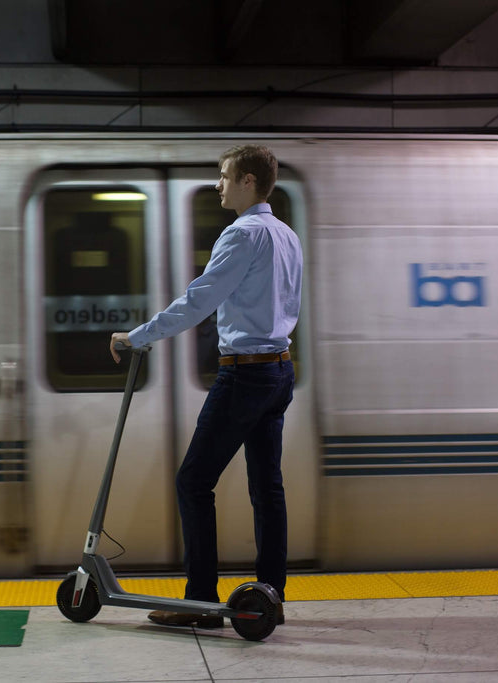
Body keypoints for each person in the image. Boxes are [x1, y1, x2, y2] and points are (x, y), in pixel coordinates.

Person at [110, 144, 302, 628]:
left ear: (248, 182)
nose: (219, 184)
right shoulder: (286, 235)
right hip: (279, 370)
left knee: (193, 482)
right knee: (267, 488)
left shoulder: (242, 234)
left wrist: (137, 336)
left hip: (245, 374)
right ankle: (270, 599)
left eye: (224, 176)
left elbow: (199, 301)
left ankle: (199, 602)